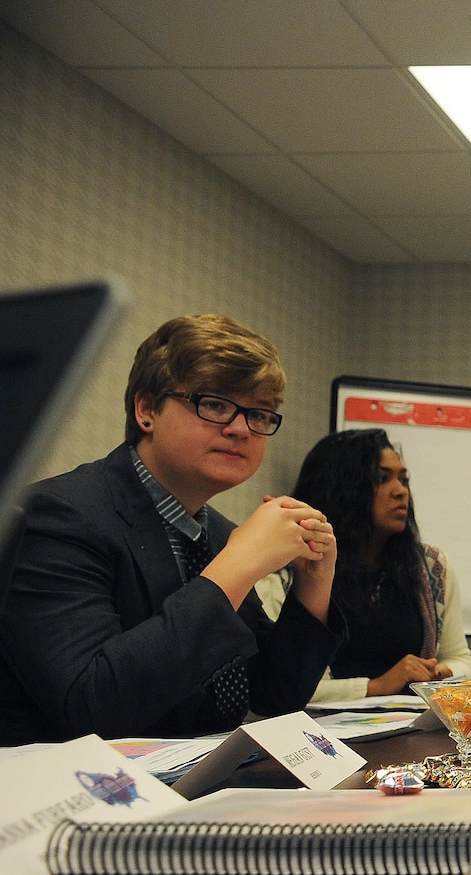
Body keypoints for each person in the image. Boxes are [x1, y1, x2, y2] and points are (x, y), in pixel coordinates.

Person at [0, 313, 342, 744]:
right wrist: (238, 566)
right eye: (215, 404)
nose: (240, 429)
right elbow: (90, 709)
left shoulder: (217, 532)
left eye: (260, 413)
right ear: (147, 410)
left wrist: (314, 582)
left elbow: (270, 694)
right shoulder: (55, 515)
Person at [256, 429, 471, 701]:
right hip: (321, 731)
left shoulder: (431, 566)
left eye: (404, 479)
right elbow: (281, 687)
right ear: (343, 486)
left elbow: (459, 657)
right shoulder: (291, 567)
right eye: (382, 479)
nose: (400, 491)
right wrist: (378, 686)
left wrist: (439, 674)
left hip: (409, 728)